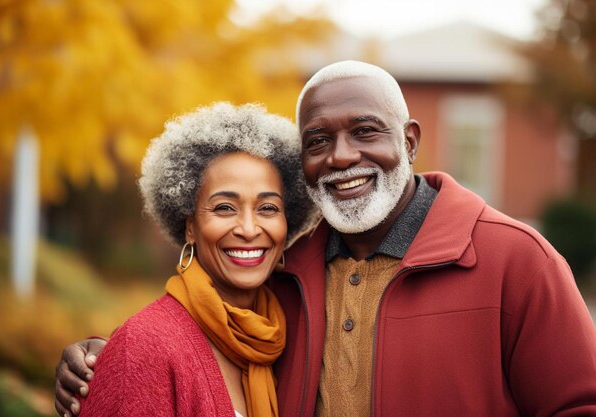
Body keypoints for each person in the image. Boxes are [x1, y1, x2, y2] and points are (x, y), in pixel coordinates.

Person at [56, 61, 596, 417]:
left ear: (408, 142)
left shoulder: (515, 261)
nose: (341, 157)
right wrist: (106, 360)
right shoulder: (286, 273)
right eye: (318, 140)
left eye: (364, 131)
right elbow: (195, 340)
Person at [59, 102, 317, 417]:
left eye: (268, 208)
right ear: (190, 226)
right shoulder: (146, 346)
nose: (249, 229)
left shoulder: (289, 335)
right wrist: (116, 356)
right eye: (224, 207)